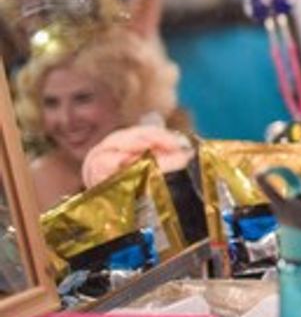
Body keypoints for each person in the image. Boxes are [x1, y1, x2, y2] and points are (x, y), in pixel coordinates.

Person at [15, 20, 180, 211]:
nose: (66, 119)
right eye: (51, 103)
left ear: (123, 99)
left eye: (82, 99)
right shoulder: (32, 184)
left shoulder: (161, 160)